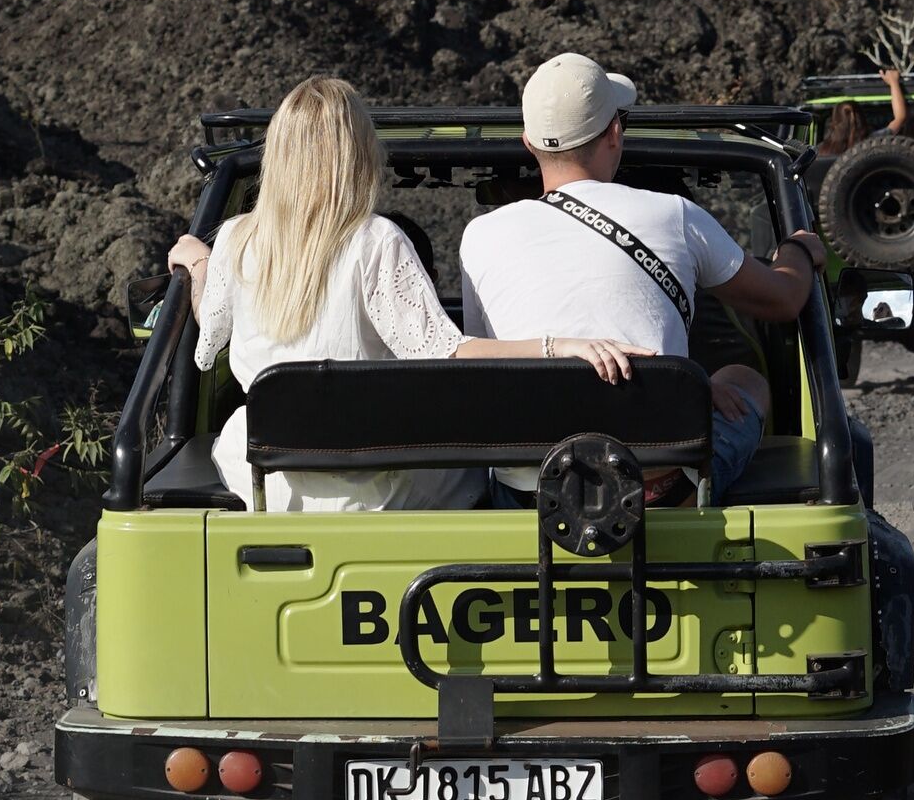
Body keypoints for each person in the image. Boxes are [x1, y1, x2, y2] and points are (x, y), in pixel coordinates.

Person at [166, 74, 633, 512]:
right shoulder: (375, 240)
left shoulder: (234, 239)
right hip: (373, 483)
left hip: (268, 480)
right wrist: (560, 345)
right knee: (483, 468)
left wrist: (199, 261)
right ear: (358, 153)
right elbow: (448, 356)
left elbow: (211, 336)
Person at [457, 52, 826, 501]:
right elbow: (784, 299)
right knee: (743, 378)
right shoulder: (675, 215)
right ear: (615, 132)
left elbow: (490, 359)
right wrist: (799, 248)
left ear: (528, 143)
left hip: (530, 494)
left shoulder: (480, 235)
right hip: (656, 489)